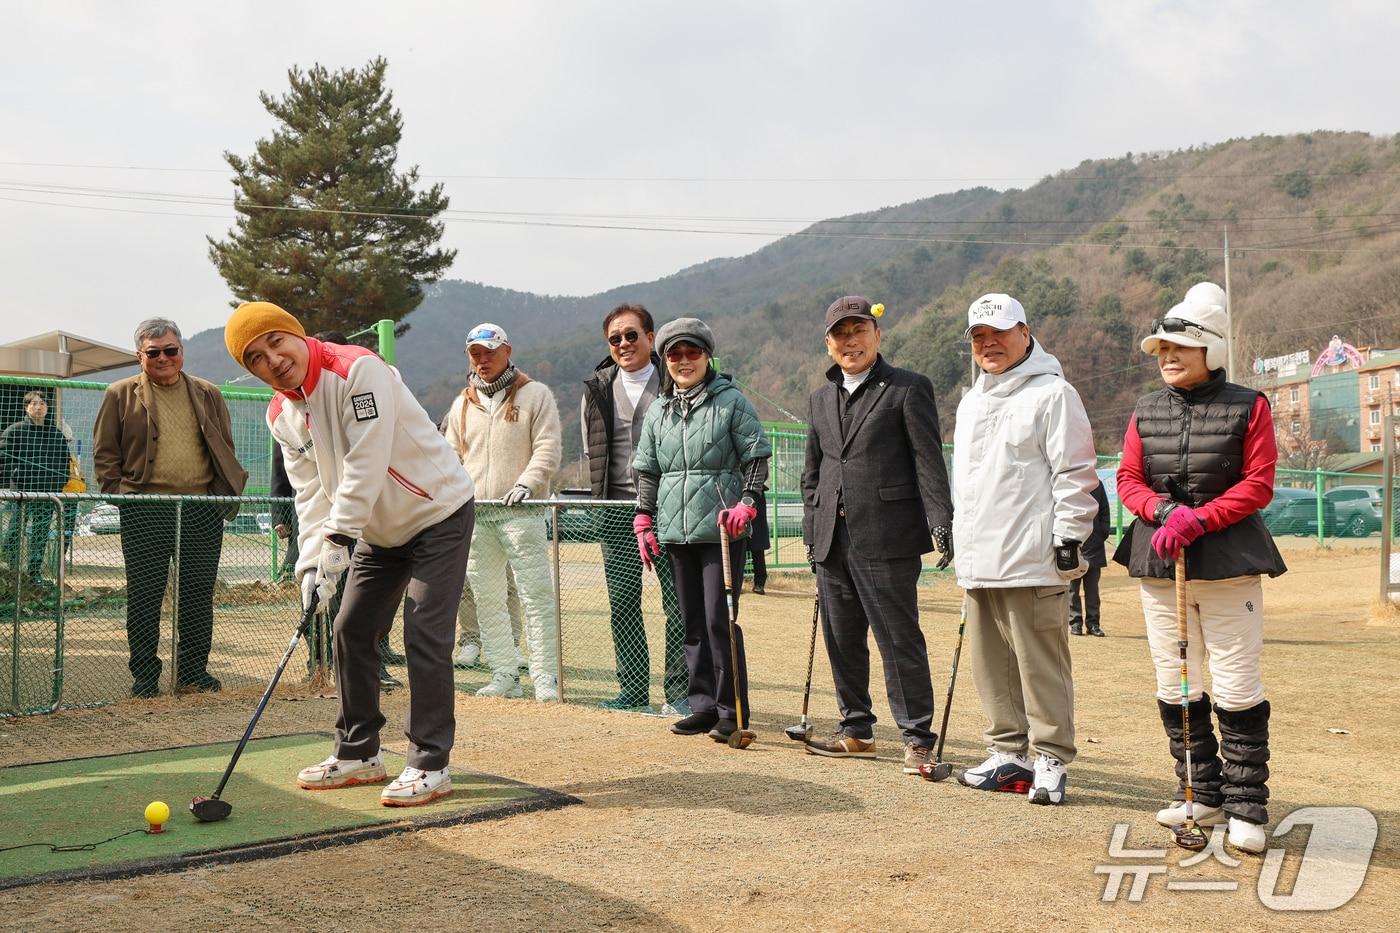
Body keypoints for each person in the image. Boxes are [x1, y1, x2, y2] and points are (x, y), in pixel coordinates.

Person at [226, 301, 474, 806]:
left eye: (276, 341)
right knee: (350, 629)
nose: (272, 359)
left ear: (297, 335)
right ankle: (359, 752)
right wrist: (312, 564)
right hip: (375, 533)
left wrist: (339, 541)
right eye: (255, 357)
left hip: (436, 513)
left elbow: (367, 460)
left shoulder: (357, 369)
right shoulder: (280, 413)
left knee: (424, 631)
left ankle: (431, 762)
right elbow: (311, 492)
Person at [1114, 282, 1286, 854]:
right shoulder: (1145, 408)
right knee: (1176, 681)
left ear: (1210, 351)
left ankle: (1246, 806)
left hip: (1230, 565)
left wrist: (1201, 519)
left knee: (1236, 686)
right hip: (1160, 563)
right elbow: (1127, 480)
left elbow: (1258, 484)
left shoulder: (1249, 404)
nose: (1166, 357)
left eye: (1178, 348)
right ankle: (1200, 793)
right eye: (1161, 349)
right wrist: (1163, 511)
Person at [952, 293, 1098, 805]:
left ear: (1025, 331)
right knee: (989, 665)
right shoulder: (971, 401)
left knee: (1040, 664)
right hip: (980, 559)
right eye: (978, 336)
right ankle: (1007, 755)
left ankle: (1052, 758)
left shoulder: (1054, 394)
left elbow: (1075, 473)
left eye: (998, 332)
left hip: (1032, 556)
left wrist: (1068, 538)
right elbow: (968, 484)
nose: (988, 343)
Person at [801, 296, 953, 774]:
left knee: (898, 638)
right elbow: (814, 472)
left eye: (859, 330)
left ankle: (917, 738)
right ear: (828, 344)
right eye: (841, 333)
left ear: (877, 335)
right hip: (831, 539)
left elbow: (928, 461)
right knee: (842, 639)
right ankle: (856, 730)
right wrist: (812, 527)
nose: (851, 340)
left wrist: (941, 519)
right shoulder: (819, 398)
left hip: (887, 536)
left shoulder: (907, 388)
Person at [632, 318, 771, 742]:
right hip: (675, 531)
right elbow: (648, 470)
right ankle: (703, 706)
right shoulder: (658, 409)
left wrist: (747, 503)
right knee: (689, 620)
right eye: (674, 353)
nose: (684, 360)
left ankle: (733, 710)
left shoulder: (732, 402)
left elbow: (756, 458)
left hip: (722, 531)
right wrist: (644, 519)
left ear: (708, 355)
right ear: (664, 360)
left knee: (718, 619)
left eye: (692, 352)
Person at [94, 318, 247, 698]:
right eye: (153, 352)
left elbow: (223, 444)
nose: (163, 358)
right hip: (146, 507)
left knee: (197, 593)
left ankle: (194, 673)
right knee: (144, 594)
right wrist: (120, 493)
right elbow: (104, 452)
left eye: (170, 350)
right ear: (139, 356)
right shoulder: (119, 393)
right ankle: (145, 675)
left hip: (201, 506)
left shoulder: (207, 392)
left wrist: (219, 496)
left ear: (181, 352)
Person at [444, 322, 562, 702]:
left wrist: (527, 483)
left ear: (507, 350)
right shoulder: (462, 404)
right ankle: (504, 674)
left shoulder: (535, 395)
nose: (483, 360)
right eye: (475, 354)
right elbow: (450, 457)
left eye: (490, 351)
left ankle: (546, 678)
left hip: (522, 513)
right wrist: (458, 494)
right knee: (487, 598)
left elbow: (547, 447)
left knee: (535, 596)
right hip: (477, 514)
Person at [580, 303, 688, 712]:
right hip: (614, 506)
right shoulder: (597, 387)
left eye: (631, 335)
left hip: (668, 506)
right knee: (622, 600)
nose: (623, 344)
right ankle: (632, 689)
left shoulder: (673, 377)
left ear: (650, 337)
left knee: (676, 602)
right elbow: (592, 449)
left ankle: (679, 693)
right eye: (614, 338)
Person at [1, 391, 71, 582]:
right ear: (26, 407)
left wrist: (58, 484)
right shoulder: (14, 431)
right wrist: (13, 479)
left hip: (48, 494)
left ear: (48, 408)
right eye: (34, 403)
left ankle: (34, 572)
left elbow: (65, 464)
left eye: (42, 403)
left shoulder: (56, 435)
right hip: (22, 492)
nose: (38, 407)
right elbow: (4, 461)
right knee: (16, 529)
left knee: (40, 533)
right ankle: (10, 568)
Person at [1069, 481, 1111, 637]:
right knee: (1072, 589)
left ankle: (1093, 624)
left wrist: (1102, 532)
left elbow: (1104, 510)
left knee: (1092, 590)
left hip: (1094, 546)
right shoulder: (1069, 482)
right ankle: (1075, 623)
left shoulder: (1097, 484)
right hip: (1073, 544)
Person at [744, 491, 770, 595]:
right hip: (738, 502)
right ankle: (737, 582)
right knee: (739, 549)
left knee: (758, 549)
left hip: (756, 500)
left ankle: (759, 584)